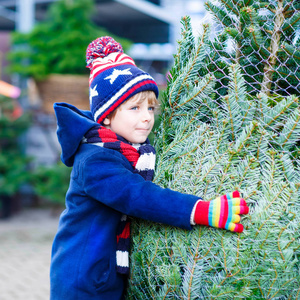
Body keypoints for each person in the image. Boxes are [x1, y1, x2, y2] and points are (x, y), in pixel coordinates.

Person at [50, 36, 249, 300]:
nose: (146, 117)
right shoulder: (95, 161)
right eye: (134, 108)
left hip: (102, 276)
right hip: (82, 281)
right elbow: (138, 196)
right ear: (107, 115)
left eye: (150, 108)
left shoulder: (124, 148)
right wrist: (202, 210)